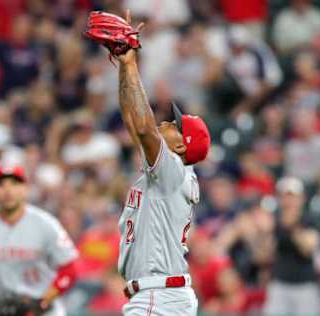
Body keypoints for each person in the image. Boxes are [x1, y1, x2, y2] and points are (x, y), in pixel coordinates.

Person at [115, 11, 211, 316]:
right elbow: (134, 123)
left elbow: (143, 128)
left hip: (158, 296)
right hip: (160, 295)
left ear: (182, 146)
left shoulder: (173, 171)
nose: (167, 121)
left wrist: (132, 66)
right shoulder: (170, 171)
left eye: (175, 124)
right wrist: (124, 66)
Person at [0, 165, 79, 316]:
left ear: (25, 189)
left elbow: (70, 270)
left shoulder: (47, 224)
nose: (8, 190)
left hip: (42, 309)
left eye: (15, 184)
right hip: (1, 308)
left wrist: (42, 302)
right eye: (1, 185)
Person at [263, 177, 320, 316]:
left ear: (302, 199)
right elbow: (263, 255)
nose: (289, 201)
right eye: (284, 196)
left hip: (305, 286)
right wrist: (265, 233)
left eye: (293, 197)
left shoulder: (309, 219)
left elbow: (308, 248)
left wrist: (292, 227)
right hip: (279, 285)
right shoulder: (274, 222)